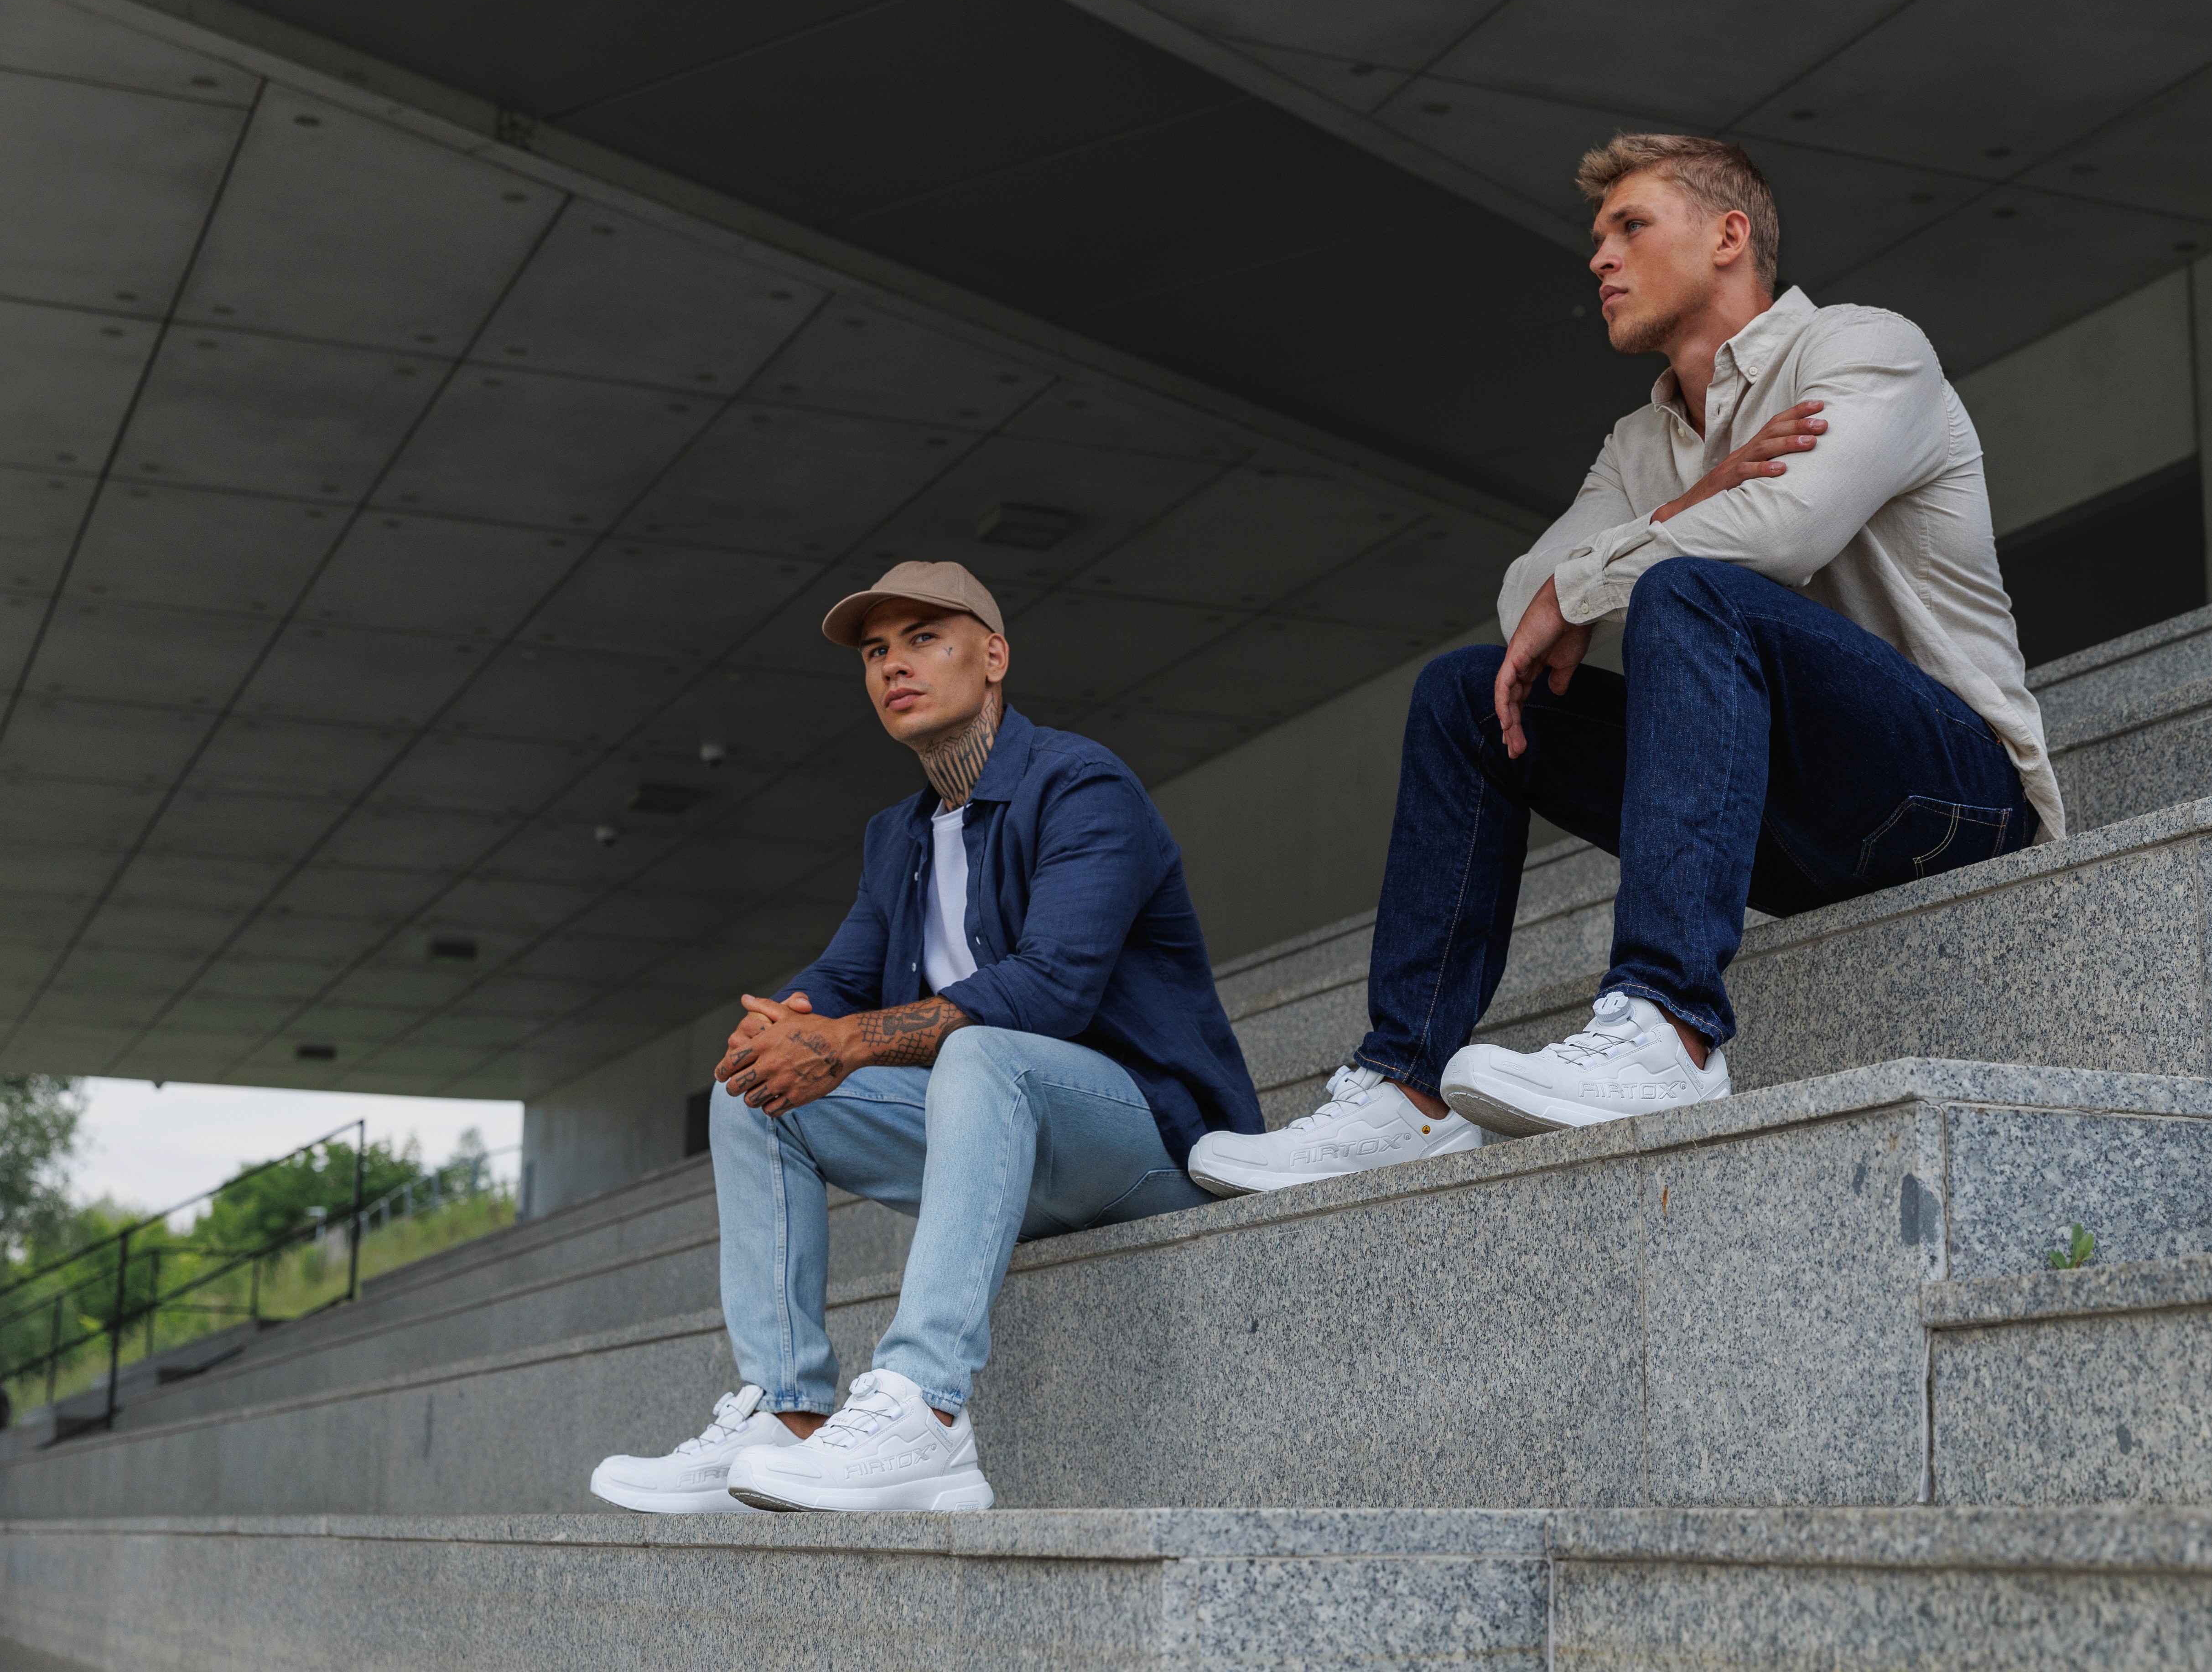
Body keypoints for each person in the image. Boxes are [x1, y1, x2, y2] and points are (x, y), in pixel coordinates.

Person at [1188, 135, 2064, 1195]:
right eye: (1598, 237)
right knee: (1466, 693)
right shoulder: (1639, 444)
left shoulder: (1866, 349)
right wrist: (1693, 500)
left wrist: (1607, 572)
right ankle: (1405, 1090)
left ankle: (1669, 1030)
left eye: (1631, 227)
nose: (1599, 258)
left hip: (1951, 796)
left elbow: (1784, 531)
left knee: (1686, 591)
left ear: (1729, 236)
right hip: (1788, 822)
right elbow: (1524, 600)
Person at [588, 560, 1258, 1513]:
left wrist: (851, 1041)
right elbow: (843, 975)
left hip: (1141, 1140)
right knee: (757, 1088)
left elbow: (1053, 988)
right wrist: (786, 1023)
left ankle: (926, 1411)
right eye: (875, 652)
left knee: (979, 1048)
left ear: (994, 657)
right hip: (1003, 1147)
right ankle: (787, 1411)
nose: (893, 666)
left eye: (924, 639)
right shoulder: (897, 836)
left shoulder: (1081, 785)